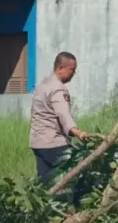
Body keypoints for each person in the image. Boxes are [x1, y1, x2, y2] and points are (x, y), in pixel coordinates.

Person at [29, 52, 93, 184]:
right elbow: (63, 114)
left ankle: (43, 195)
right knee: (74, 174)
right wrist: (77, 132)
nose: (73, 74)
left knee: (45, 181)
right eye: (72, 70)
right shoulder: (58, 89)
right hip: (54, 142)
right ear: (60, 68)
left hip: (38, 142)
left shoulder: (43, 85)